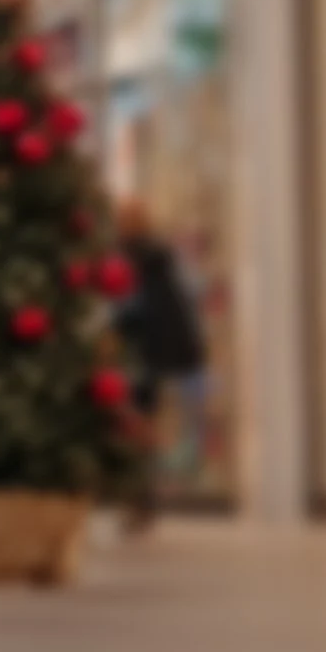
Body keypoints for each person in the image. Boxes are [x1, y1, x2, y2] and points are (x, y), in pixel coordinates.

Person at [110, 194, 207, 525]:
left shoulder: (134, 259)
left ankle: (138, 494)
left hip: (139, 352)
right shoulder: (160, 259)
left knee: (136, 421)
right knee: (142, 419)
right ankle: (139, 493)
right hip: (155, 352)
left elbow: (130, 309)